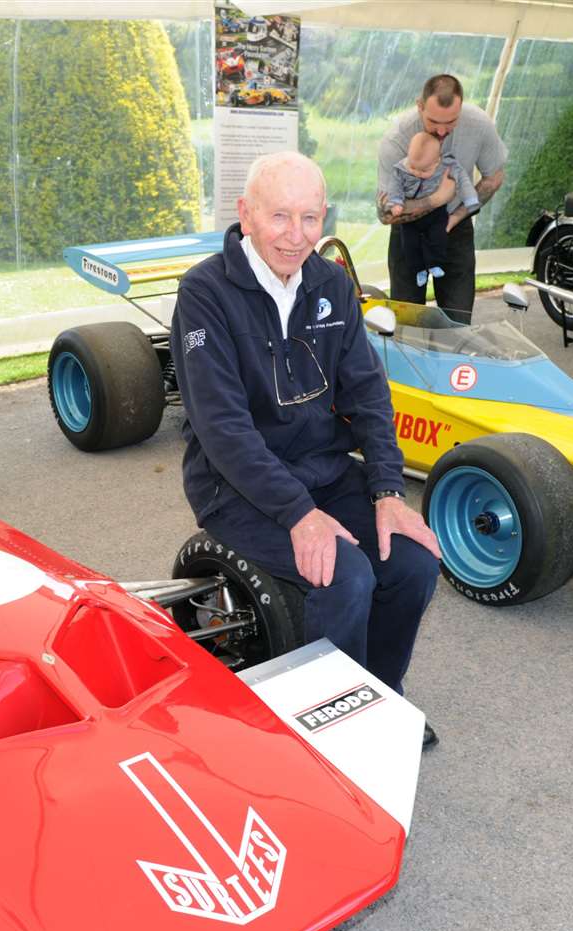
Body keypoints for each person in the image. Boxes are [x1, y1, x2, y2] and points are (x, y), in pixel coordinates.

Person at [171, 152, 445, 747]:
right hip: (237, 485)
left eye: (310, 218)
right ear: (245, 215)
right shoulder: (204, 294)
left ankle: (378, 696)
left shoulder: (329, 284)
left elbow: (369, 392)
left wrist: (389, 491)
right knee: (345, 577)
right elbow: (222, 429)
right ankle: (331, 731)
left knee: (414, 562)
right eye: (279, 217)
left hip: (322, 469)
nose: (296, 237)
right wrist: (299, 515)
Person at [376, 74, 507, 324]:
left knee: (457, 325)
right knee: (407, 325)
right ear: (420, 106)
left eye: (451, 122)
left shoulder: (479, 124)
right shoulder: (396, 139)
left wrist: (455, 217)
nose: (442, 130)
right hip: (407, 233)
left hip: (456, 230)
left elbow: (494, 178)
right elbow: (384, 214)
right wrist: (436, 200)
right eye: (434, 121)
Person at [384, 131, 481, 288]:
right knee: (410, 245)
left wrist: (470, 199)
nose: (417, 173)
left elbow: (463, 180)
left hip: (436, 213)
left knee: (438, 238)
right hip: (411, 217)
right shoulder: (401, 169)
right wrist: (396, 202)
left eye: (424, 171)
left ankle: (434, 264)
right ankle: (419, 270)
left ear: (437, 161)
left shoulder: (448, 165)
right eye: (413, 168)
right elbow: (395, 185)